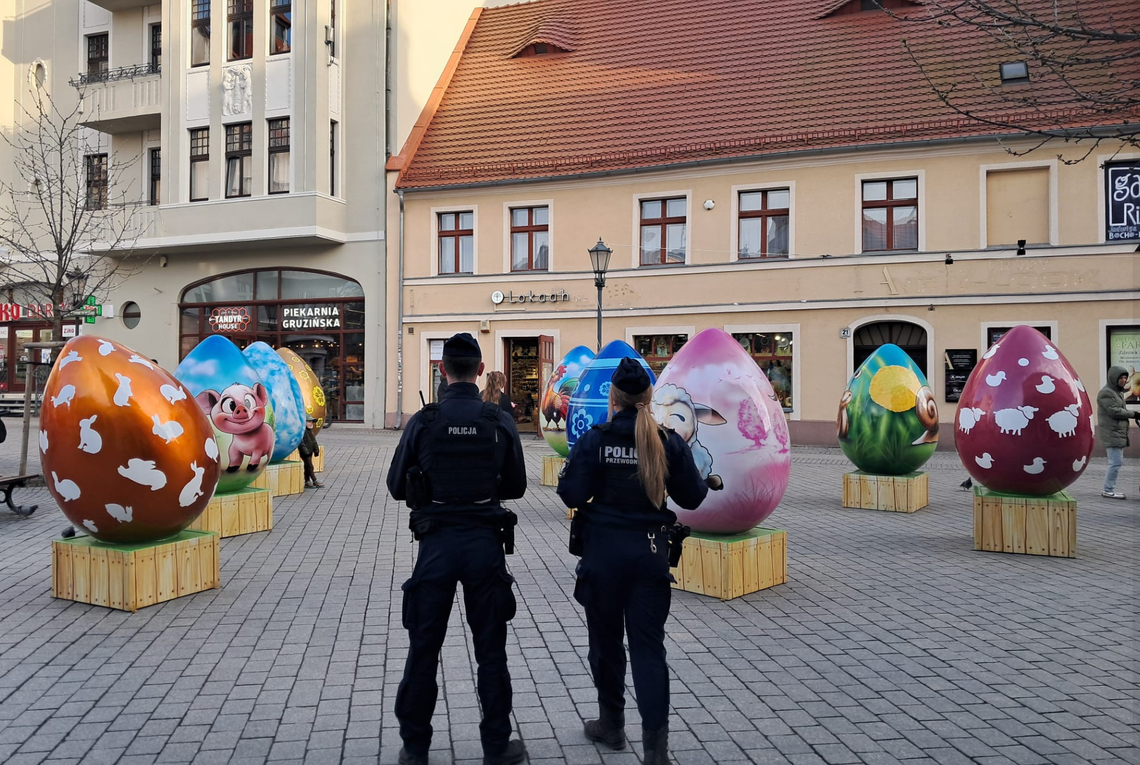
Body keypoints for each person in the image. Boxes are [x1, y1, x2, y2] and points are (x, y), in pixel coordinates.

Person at [557, 358, 709, 765]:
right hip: (650, 556)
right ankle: (655, 751)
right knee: (648, 650)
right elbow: (693, 498)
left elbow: (570, 494)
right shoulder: (666, 441)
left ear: (614, 398)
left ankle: (612, 726)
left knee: (605, 646)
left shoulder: (596, 438)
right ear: (649, 399)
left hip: (603, 555)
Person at [387, 332, 528, 765]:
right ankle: (496, 747)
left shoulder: (424, 421)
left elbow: (396, 486)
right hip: (484, 544)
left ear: (442, 370)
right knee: (490, 649)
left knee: (424, 648)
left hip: (437, 546)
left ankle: (415, 749)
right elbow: (518, 485)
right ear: (481, 371)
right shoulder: (495, 419)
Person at [1097, 365, 1140, 499]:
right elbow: (1114, 411)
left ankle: (1109, 488)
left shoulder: (1118, 393)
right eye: (1120, 377)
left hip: (1117, 432)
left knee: (1116, 462)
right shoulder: (1106, 393)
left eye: (1124, 377)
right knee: (1115, 462)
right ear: (1113, 378)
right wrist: (1134, 414)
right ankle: (1108, 490)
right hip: (1111, 432)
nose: (1123, 380)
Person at [298, 416, 322, 488]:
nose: (310, 423)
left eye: (311, 422)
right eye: (308, 421)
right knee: (310, 466)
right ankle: (314, 480)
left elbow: (313, 441)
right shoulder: (302, 431)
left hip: (309, 450)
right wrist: (306, 451)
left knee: (307, 466)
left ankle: (307, 481)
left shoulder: (310, 431)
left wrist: (316, 450)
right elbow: (301, 443)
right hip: (305, 452)